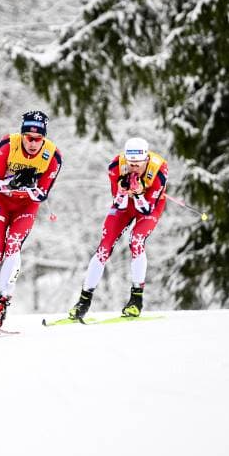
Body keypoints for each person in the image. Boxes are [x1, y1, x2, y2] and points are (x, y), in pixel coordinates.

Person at [0, 110, 63, 331]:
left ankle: (2, 304)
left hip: (25, 206)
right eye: (28, 137)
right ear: (22, 135)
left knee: (13, 247)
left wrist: (30, 186)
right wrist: (12, 183)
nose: (32, 143)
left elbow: (42, 193)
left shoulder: (53, 155)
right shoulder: (6, 146)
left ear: (44, 138)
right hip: (0, 201)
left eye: (38, 139)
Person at [67, 137, 169, 320]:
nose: (134, 168)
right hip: (124, 207)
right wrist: (122, 192)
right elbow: (119, 205)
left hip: (149, 206)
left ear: (146, 159)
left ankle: (136, 300)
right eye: (131, 164)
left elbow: (147, 208)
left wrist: (138, 193)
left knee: (136, 240)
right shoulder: (116, 165)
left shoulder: (159, 168)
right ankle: (83, 301)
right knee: (103, 248)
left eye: (138, 164)